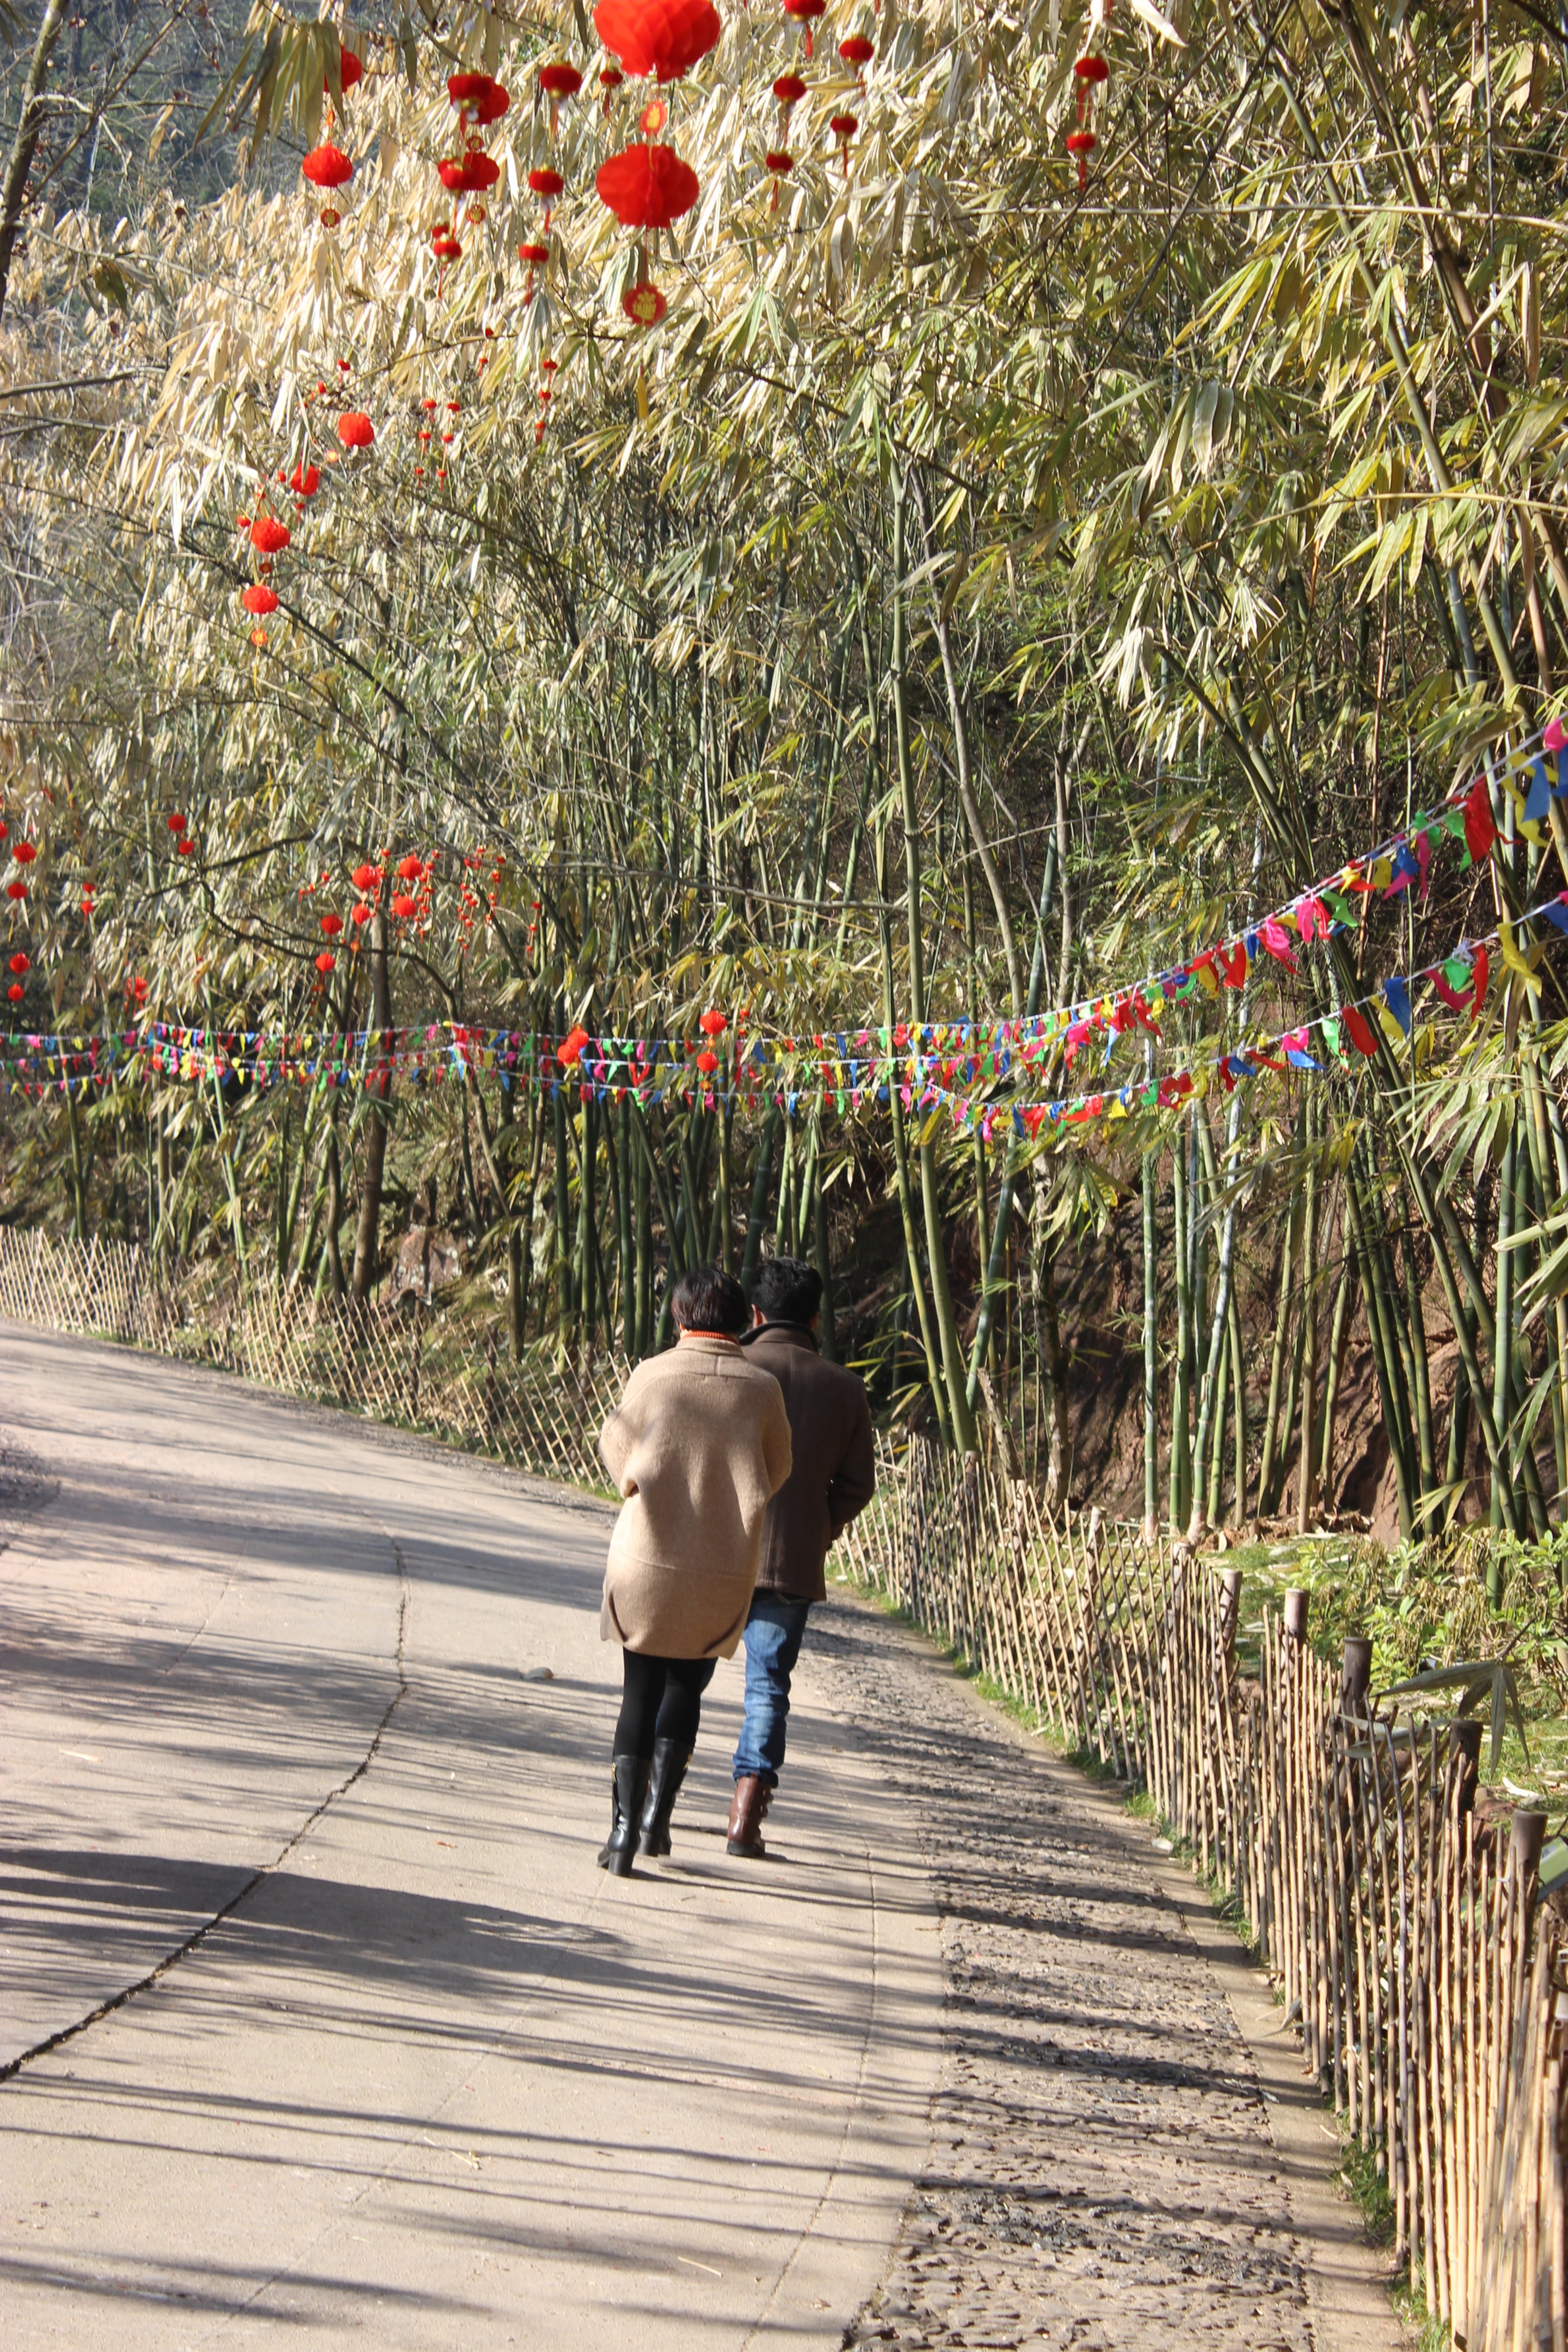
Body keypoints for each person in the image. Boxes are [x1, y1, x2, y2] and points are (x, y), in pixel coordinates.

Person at [595, 1265, 792, 1875]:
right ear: (741, 1319)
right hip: (720, 1567)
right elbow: (778, 1466)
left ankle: (623, 1833)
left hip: (647, 1562)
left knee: (639, 1689)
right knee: (686, 1688)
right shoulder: (761, 1390)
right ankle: (658, 1821)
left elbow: (617, 1451)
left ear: (681, 1316)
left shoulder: (652, 1374)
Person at [728, 1256, 875, 1857]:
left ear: (755, 1314)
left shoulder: (729, 1368)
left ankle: (654, 1805)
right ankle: (745, 1818)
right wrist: (819, 1526)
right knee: (767, 1689)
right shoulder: (844, 1387)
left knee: (676, 1676)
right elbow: (857, 1484)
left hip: (715, 1552)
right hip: (790, 1560)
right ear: (817, 1316)